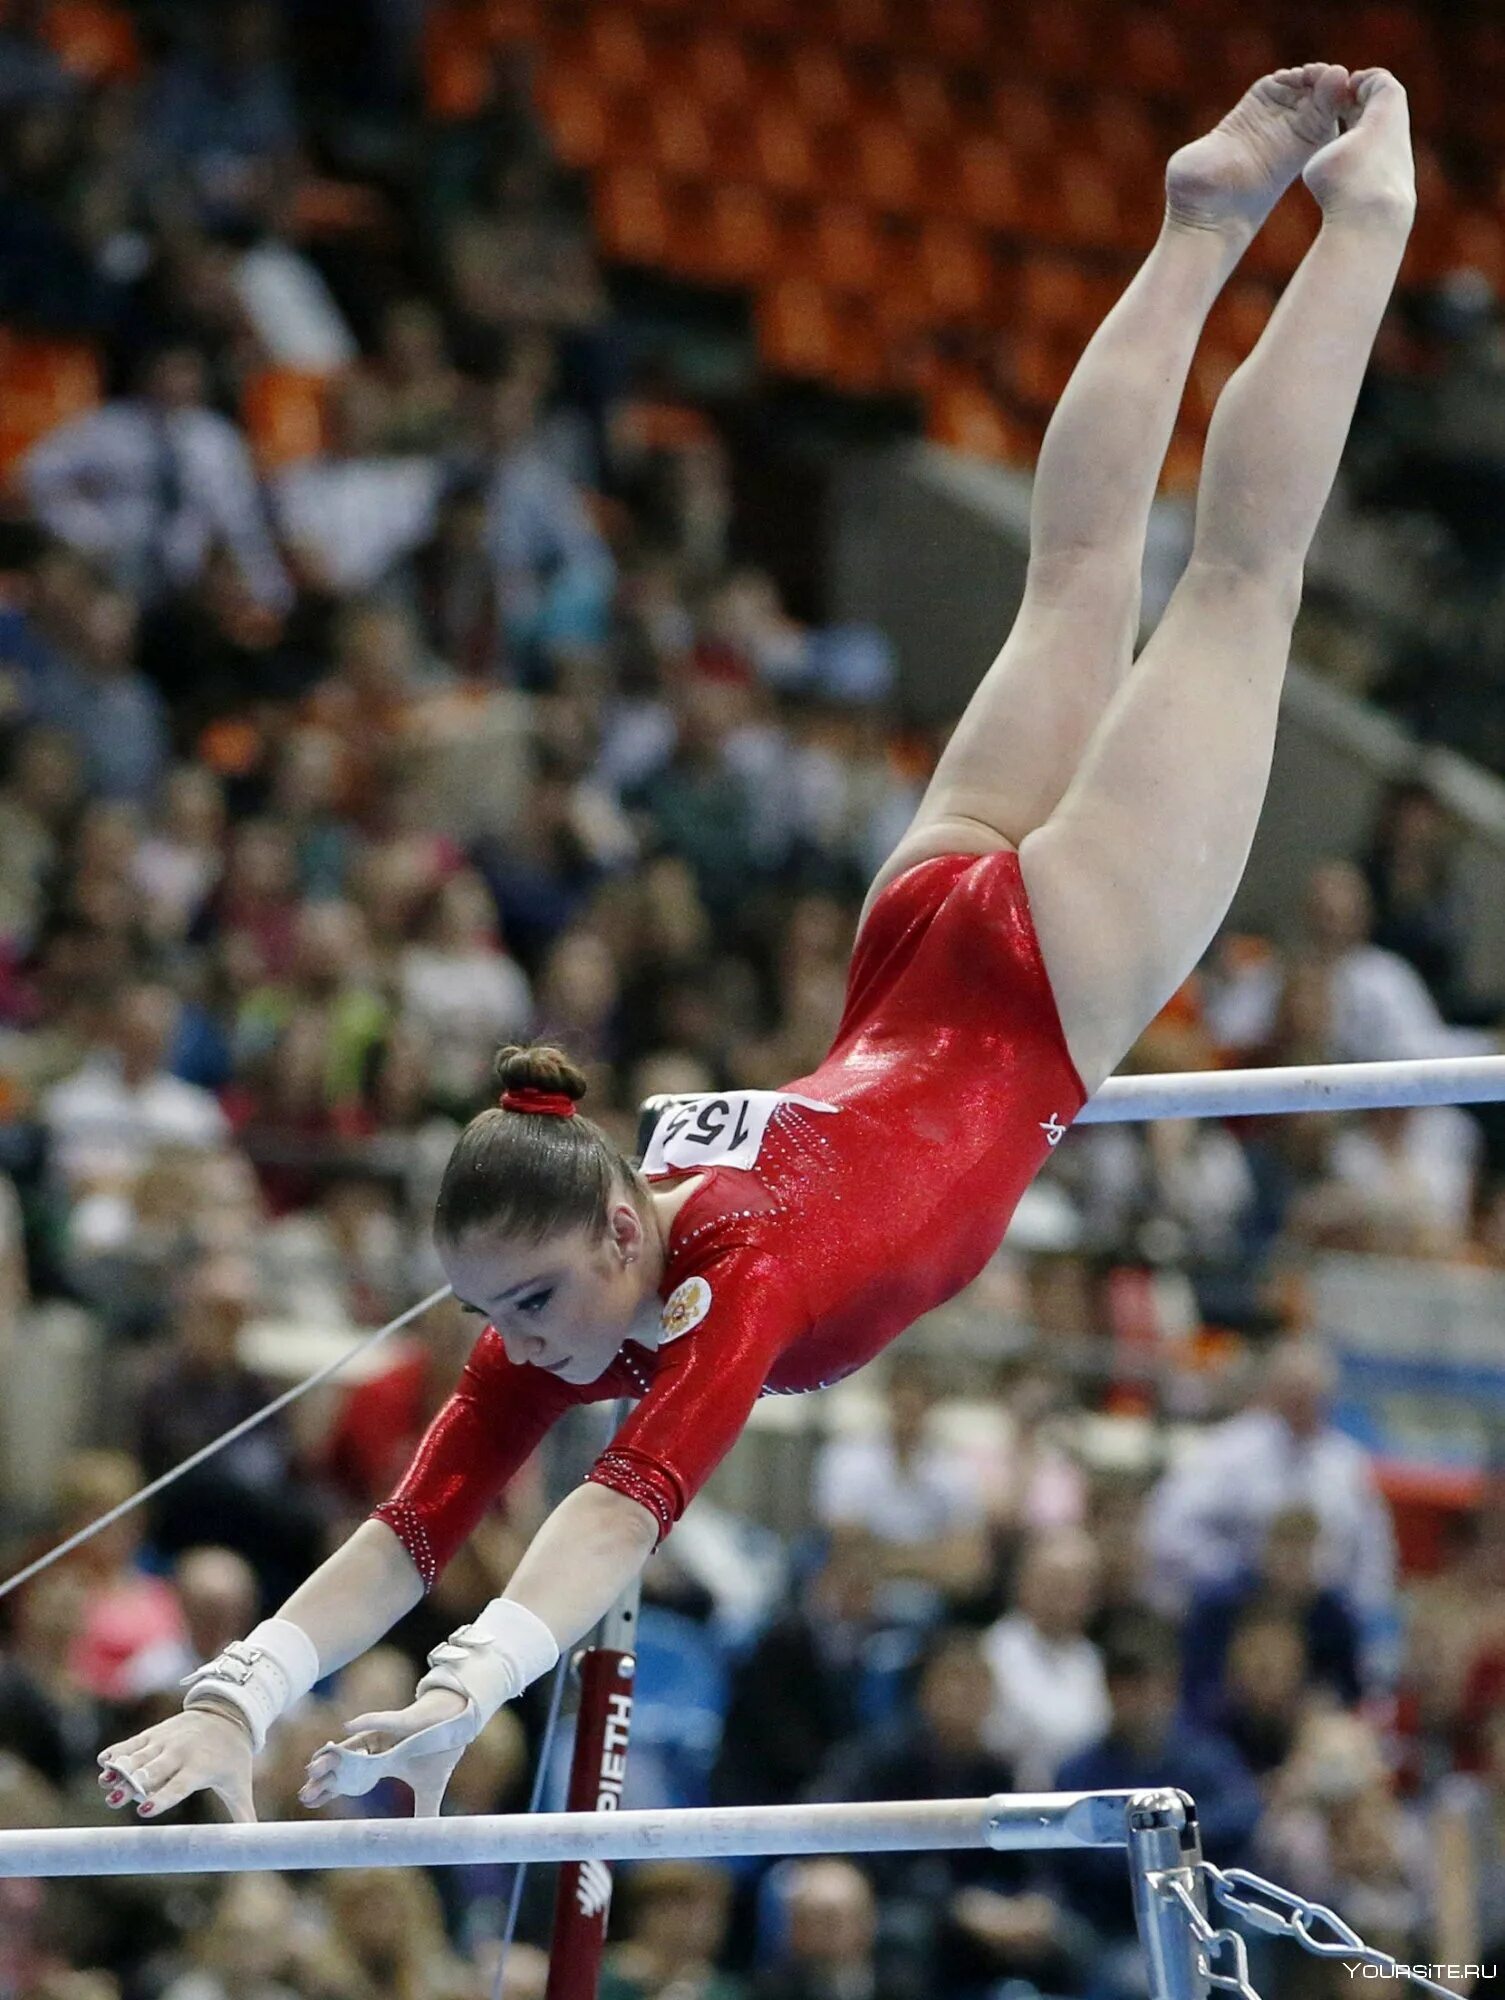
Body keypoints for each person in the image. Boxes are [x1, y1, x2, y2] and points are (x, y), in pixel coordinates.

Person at [100, 65, 1419, 1824]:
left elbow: (613, 1505)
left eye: (537, 1305)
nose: (526, 1349)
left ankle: (1361, 222)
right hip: (919, 947)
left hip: (1030, 982)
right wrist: (236, 1698)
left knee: (1229, 582)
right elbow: (410, 1522)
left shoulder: (737, 1269)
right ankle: (1191, 228)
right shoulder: (576, 1278)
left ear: (619, 1225)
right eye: (495, 1314)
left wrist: (471, 1680)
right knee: (1077, 574)